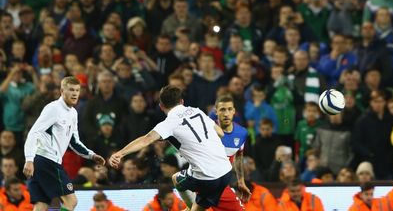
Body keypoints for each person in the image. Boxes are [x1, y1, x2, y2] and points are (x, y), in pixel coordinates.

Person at [108, 86, 246, 211]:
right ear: (182, 101)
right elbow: (221, 133)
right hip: (226, 172)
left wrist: (120, 153)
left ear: (161, 106)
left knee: (176, 179)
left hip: (206, 177)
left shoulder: (169, 123)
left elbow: (146, 139)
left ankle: (189, 206)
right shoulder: (197, 111)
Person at [23, 76, 106, 211]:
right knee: (71, 201)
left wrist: (91, 155)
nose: (74, 93)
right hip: (46, 159)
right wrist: (29, 159)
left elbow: (74, 141)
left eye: (77, 90)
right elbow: (34, 133)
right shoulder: (53, 108)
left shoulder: (73, 113)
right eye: (71, 90)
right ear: (62, 91)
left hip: (42, 162)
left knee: (41, 205)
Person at [216, 95, 251, 201]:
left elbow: (239, 156)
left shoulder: (242, 133)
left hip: (223, 183)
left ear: (234, 111)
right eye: (222, 110)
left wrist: (241, 182)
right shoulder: (208, 130)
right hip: (205, 181)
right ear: (216, 111)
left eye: (229, 109)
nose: (226, 114)